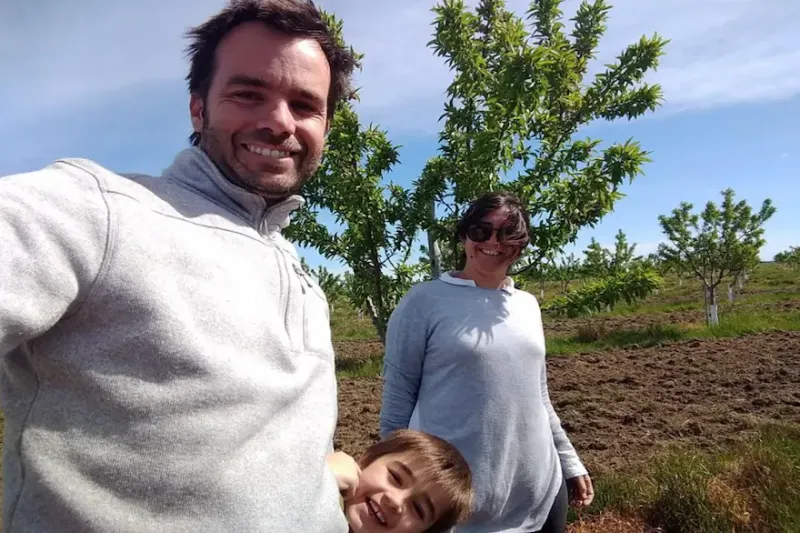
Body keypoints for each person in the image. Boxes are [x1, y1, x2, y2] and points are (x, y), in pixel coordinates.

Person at [0, 1, 357, 532]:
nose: (279, 121)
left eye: (305, 105)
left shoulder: (299, 273)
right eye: (248, 93)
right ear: (198, 109)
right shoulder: (103, 211)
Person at [379, 192, 594, 533]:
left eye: (508, 233)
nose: (493, 242)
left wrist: (569, 461)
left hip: (538, 490)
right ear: (464, 236)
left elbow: (539, 396)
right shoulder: (423, 301)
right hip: (457, 502)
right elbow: (397, 397)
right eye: (481, 231)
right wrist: (395, 482)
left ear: (521, 244)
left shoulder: (526, 305)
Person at [326, 430, 473, 533]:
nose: (396, 501)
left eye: (418, 509)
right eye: (396, 477)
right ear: (367, 459)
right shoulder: (318, 475)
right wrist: (322, 475)